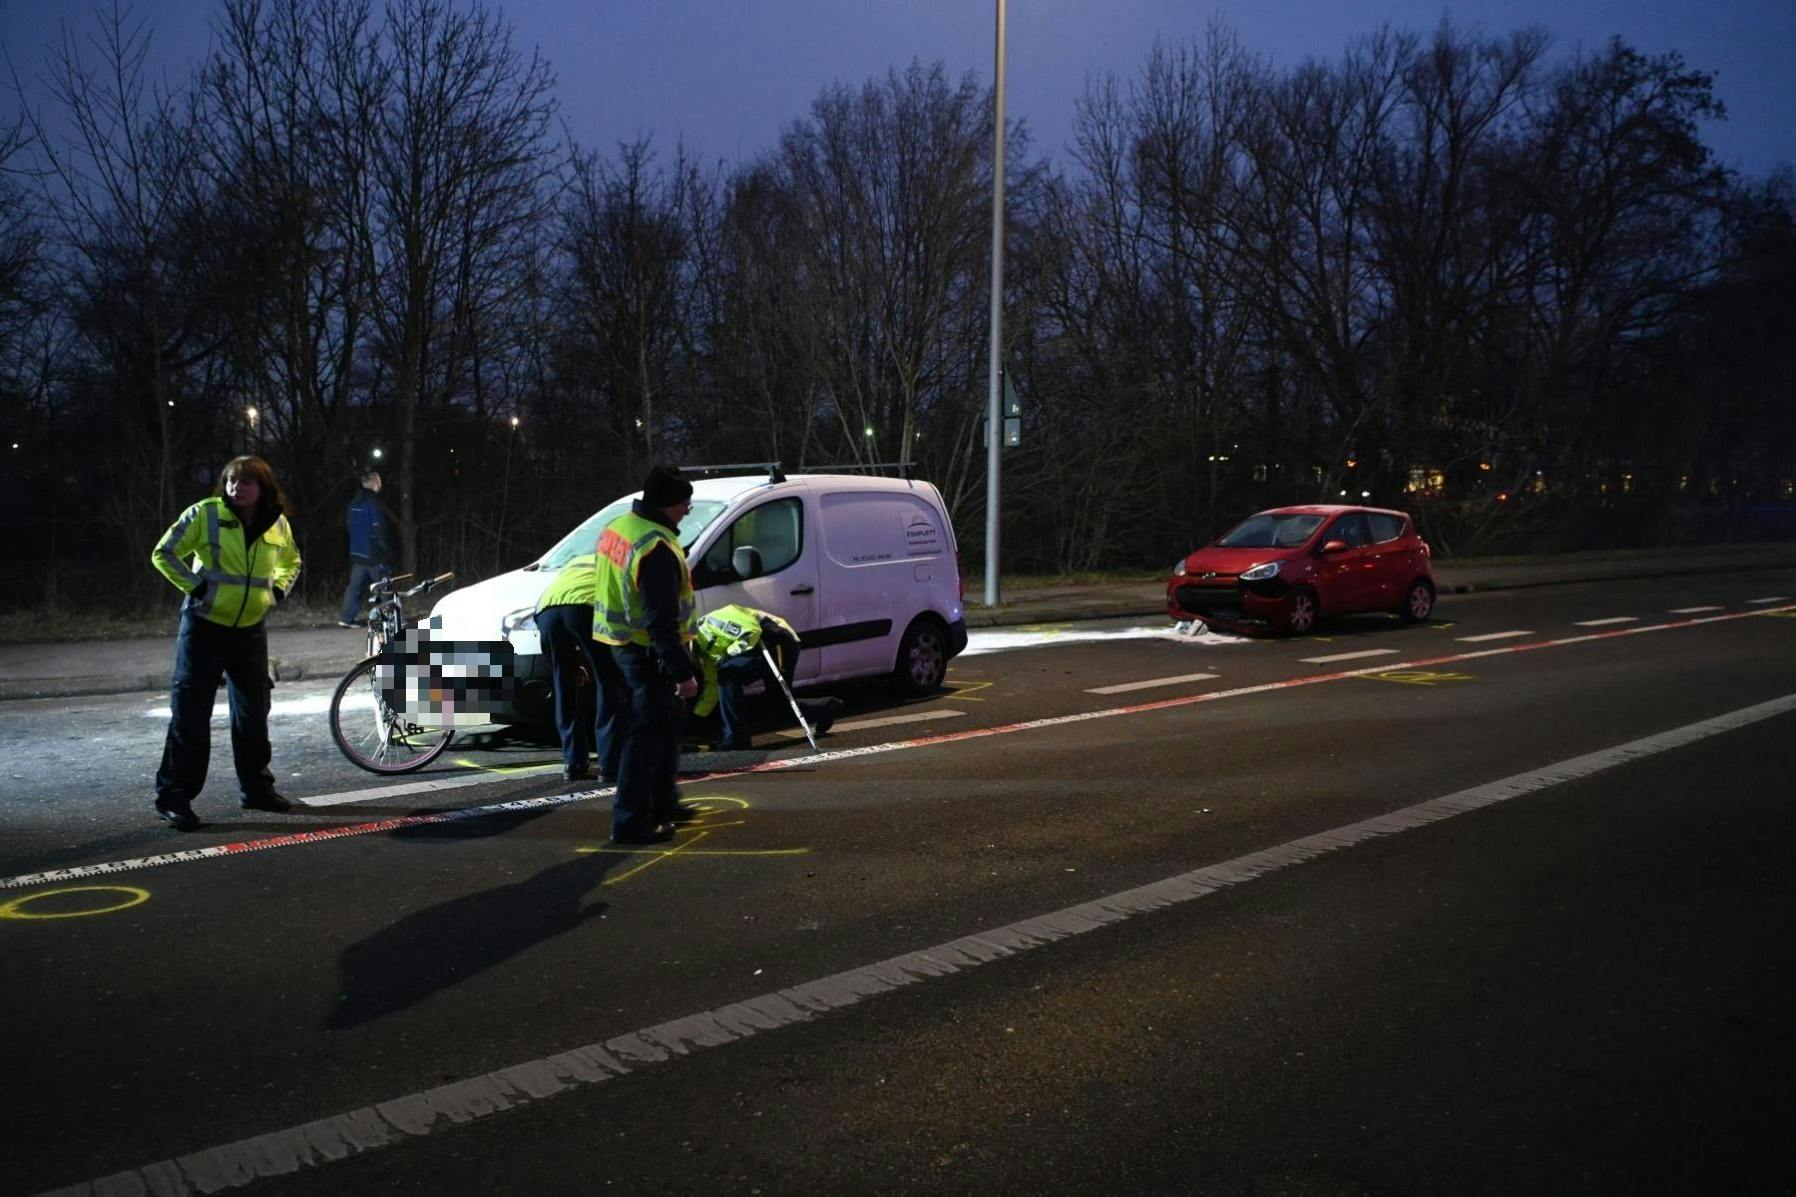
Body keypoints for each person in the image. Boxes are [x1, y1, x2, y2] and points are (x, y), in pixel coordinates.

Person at [149, 455, 303, 831]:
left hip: (250, 630)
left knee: (253, 713)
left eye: (245, 482)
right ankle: (174, 798)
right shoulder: (205, 514)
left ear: (263, 487)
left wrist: (277, 592)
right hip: (203, 627)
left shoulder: (277, 523)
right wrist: (198, 588)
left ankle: (257, 789)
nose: (236, 488)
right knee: (190, 714)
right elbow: (163, 553)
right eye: (231, 481)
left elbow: (292, 562)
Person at [592, 464, 700, 845]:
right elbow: (660, 620)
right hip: (645, 650)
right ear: (670, 503)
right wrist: (682, 672)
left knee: (666, 726)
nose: (687, 510)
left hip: (617, 642)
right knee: (646, 736)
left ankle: (664, 803)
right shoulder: (655, 548)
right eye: (685, 503)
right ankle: (632, 821)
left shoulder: (621, 527)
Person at [692, 603, 844, 751]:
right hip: (756, 649)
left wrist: (728, 656)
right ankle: (826, 707)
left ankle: (736, 739)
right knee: (779, 705)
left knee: (727, 673)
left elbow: (751, 631)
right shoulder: (702, 653)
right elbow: (713, 685)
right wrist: (694, 719)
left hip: (777, 640)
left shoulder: (710, 623)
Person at [533, 552, 624, 782]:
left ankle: (574, 763)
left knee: (563, 682)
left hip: (546, 611)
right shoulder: (620, 562)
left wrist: (575, 662)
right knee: (608, 680)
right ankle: (610, 765)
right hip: (585, 608)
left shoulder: (577, 561)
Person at [338, 470, 393, 627]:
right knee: (383, 586)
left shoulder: (353, 503)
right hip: (373, 554)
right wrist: (386, 550)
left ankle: (346, 619)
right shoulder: (372, 503)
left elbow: (349, 525)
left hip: (356, 553)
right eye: (379, 481)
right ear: (374, 483)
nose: (381, 484)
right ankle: (387, 619)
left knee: (354, 587)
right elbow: (378, 529)